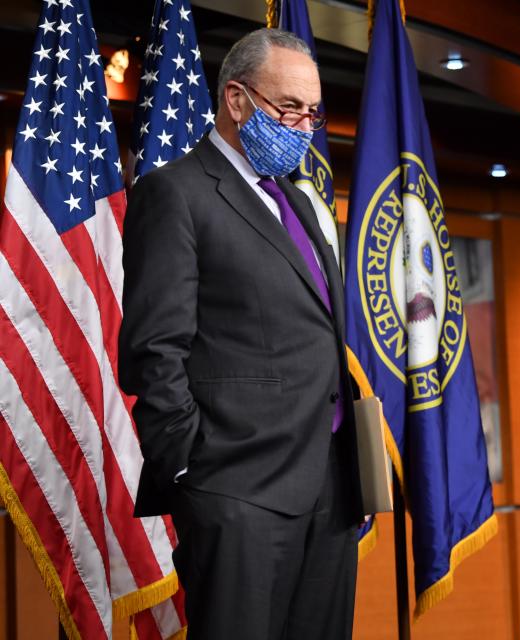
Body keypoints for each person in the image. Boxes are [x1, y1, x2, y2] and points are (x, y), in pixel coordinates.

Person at [118, 28, 361, 640]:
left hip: (329, 492)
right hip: (238, 492)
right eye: (289, 109)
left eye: (312, 112)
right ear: (236, 99)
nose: (304, 126)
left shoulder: (298, 203)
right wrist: (196, 476)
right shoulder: (175, 193)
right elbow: (154, 348)